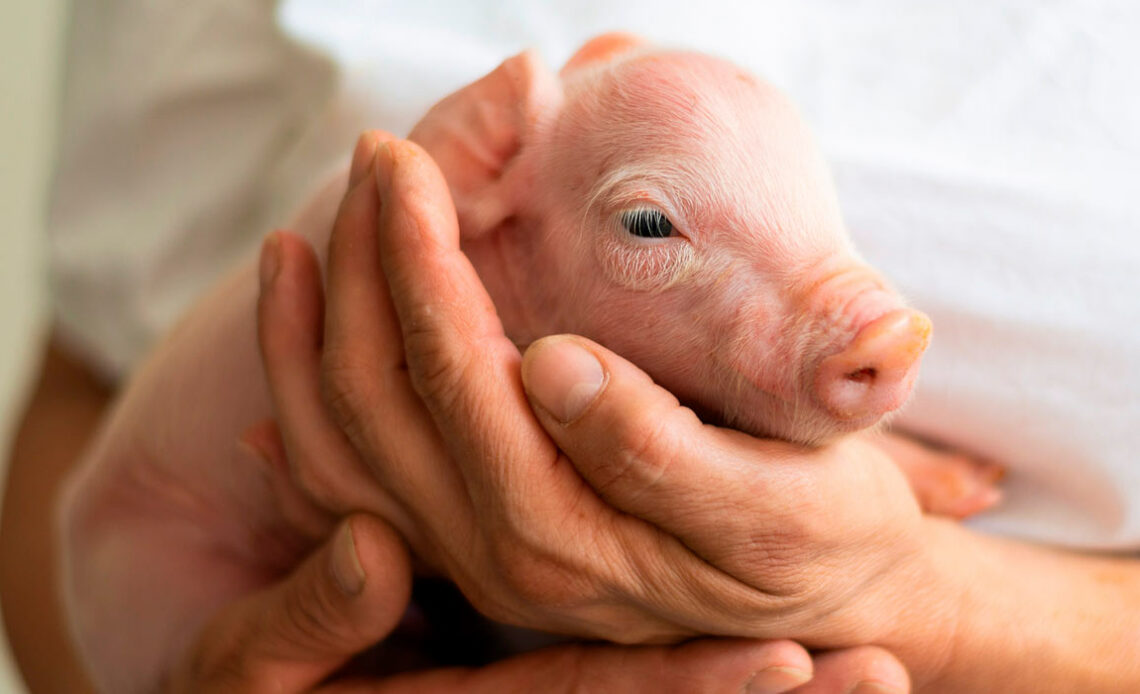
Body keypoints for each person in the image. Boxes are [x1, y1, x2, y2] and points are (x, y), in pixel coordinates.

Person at [4, 1, 1139, 691]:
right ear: (491, 189)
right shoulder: (481, 236)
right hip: (191, 588)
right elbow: (84, 387)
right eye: (651, 227)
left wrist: (942, 602)